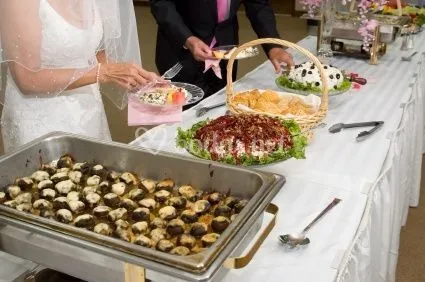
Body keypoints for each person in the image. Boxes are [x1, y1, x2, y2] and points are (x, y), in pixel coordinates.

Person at [0, 0, 162, 153]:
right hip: (41, 120)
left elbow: (91, 51)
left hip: (89, 112)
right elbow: (26, 78)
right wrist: (104, 73)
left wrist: (136, 77)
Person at [150, 0, 294, 98]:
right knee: (183, 114)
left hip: (225, 47)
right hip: (181, 49)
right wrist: (187, 39)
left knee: (219, 106)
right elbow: (161, 3)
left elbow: (259, 5)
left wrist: (273, 47)